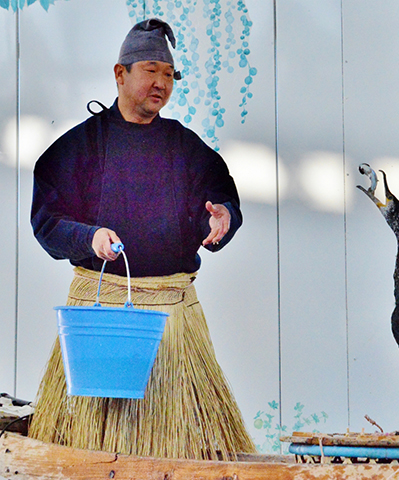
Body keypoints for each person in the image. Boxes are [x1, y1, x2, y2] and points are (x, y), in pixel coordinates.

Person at [28, 18, 255, 460]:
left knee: (186, 459)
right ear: (120, 74)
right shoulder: (78, 148)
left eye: (169, 75)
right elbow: (48, 221)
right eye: (151, 70)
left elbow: (220, 201)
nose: (161, 83)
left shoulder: (189, 149)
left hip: (174, 322)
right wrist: (88, 237)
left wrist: (223, 217)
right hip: (102, 317)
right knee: (89, 453)